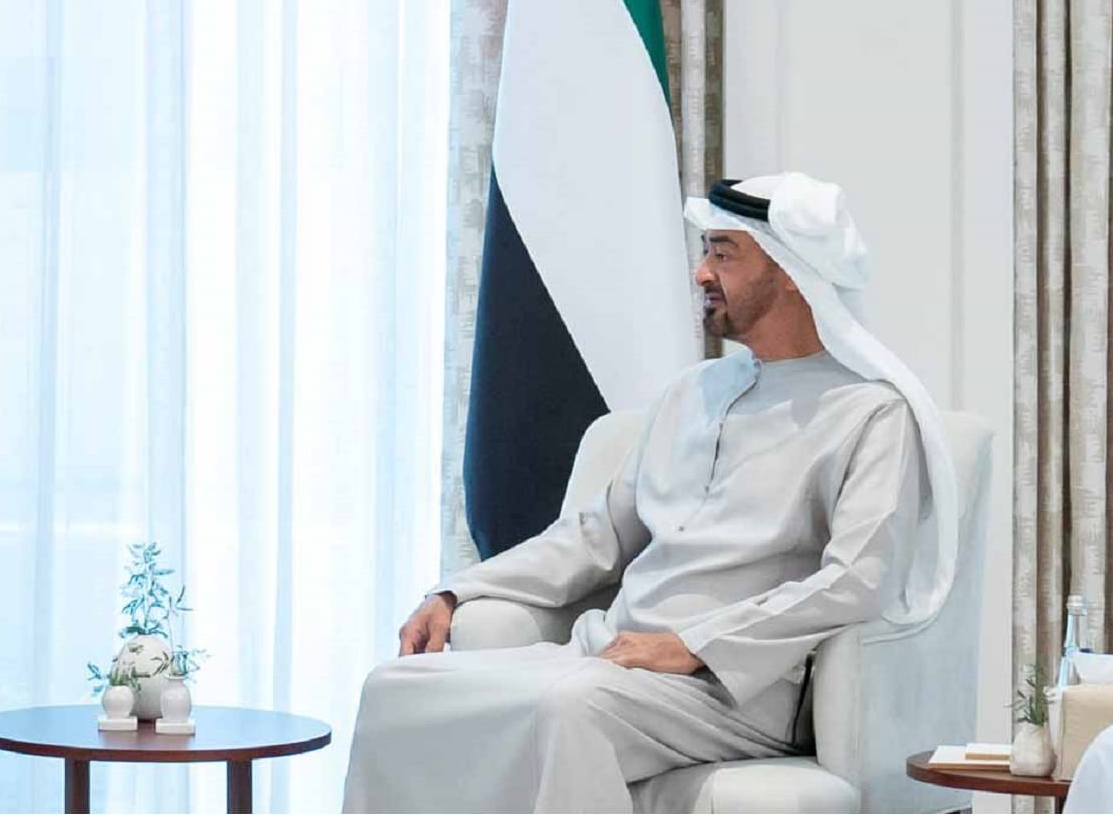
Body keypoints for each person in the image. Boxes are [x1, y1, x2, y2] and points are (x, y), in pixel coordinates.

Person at [343, 172, 959, 812]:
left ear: (792, 272)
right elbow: (592, 540)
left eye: (724, 253)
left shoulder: (868, 413)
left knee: (571, 706)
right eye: (705, 252)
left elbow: (858, 579)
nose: (701, 273)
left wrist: (694, 645)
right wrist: (454, 591)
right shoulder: (691, 393)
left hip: (734, 687)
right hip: (610, 657)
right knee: (396, 688)